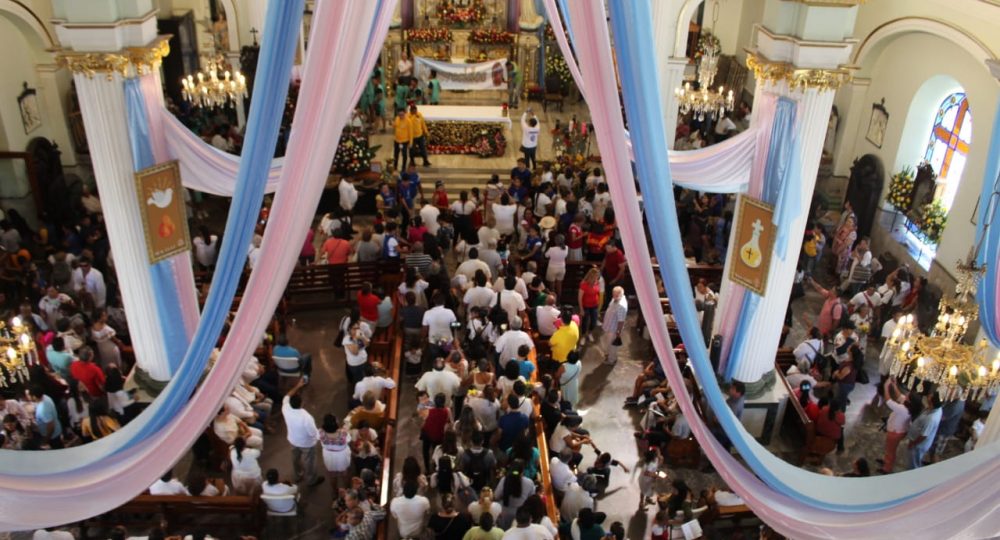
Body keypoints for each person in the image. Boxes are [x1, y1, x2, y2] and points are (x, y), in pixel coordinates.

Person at [282, 379, 323, 487]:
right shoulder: (306, 417)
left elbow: (287, 395)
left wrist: (298, 386)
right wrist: (320, 436)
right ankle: (311, 480)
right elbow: (312, 433)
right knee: (309, 462)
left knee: (295, 458)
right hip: (306, 444)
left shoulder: (285, 408)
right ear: (302, 403)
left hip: (293, 440)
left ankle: (298, 474)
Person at [908, 393, 943, 469]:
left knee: (914, 463)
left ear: (932, 402)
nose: (928, 396)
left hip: (919, 444)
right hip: (918, 440)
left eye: (930, 397)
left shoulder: (931, 419)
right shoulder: (936, 408)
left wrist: (913, 443)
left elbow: (923, 435)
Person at [601, 286, 628, 365]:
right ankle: (609, 355)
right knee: (609, 343)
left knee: (612, 345)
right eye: (613, 294)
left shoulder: (621, 306)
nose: (614, 297)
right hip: (609, 326)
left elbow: (621, 321)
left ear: (620, 294)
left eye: (616, 295)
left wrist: (618, 332)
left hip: (614, 329)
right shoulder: (616, 298)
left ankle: (611, 360)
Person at [578, 267, 601, 345]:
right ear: (591, 276)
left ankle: (590, 333)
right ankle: (583, 336)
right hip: (586, 306)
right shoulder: (584, 284)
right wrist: (581, 309)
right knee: (585, 322)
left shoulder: (597, 282)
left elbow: (598, 293)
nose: (597, 278)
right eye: (596, 276)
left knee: (594, 322)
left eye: (598, 276)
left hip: (594, 305)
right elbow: (580, 297)